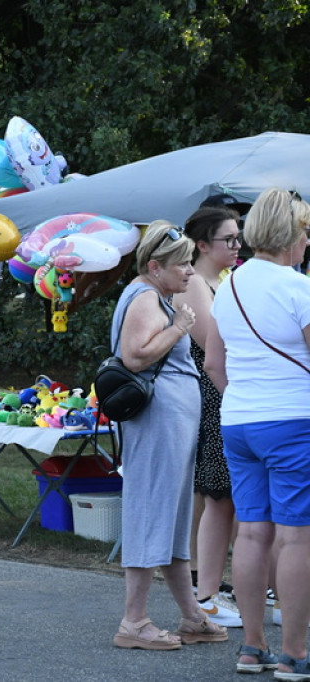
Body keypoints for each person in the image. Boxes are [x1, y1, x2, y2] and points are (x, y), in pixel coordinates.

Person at [204, 187, 310, 677]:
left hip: (240, 421)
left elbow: (214, 363)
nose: (308, 242)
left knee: (250, 534)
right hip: (293, 420)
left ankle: (252, 647)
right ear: (290, 235)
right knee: (296, 539)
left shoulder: (228, 287)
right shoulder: (298, 288)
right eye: (306, 231)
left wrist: (244, 400)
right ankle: (295, 653)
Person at [110, 220, 227, 651]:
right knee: (151, 515)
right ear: (155, 266)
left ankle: (191, 616)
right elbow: (135, 356)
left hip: (172, 426)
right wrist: (179, 327)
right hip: (157, 425)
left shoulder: (155, 294)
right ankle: (134, 621)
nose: (190, 273)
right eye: (181, 266)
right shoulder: (145, 297)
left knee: (174, 520)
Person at [173, 206, 243, 627]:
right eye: (229, 239)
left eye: (239, 239)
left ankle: (214, 583)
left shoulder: (222, 281)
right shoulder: (197, 285)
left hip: (225, 392)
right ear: (202, 245)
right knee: (216, 492)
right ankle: (204, 589)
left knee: (220, 495)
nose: (237, 247)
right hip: (212, 394)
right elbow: (214, 345)